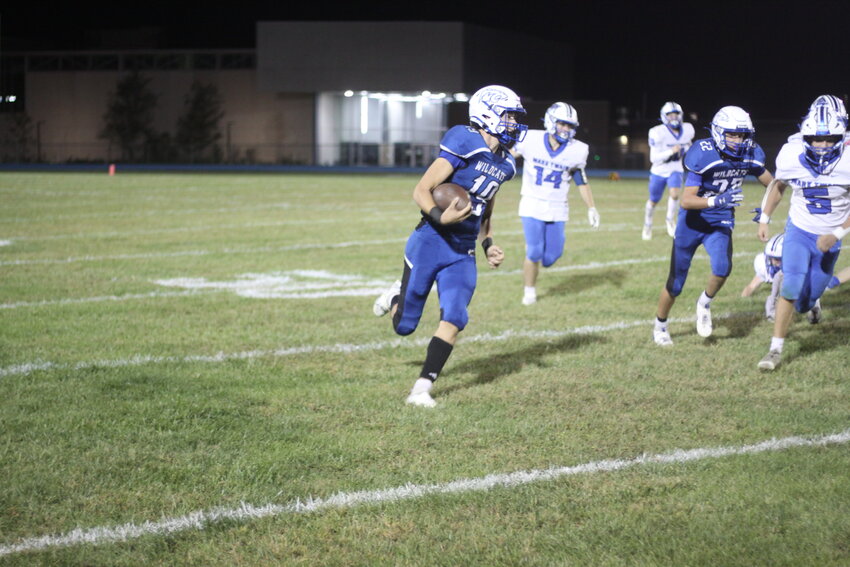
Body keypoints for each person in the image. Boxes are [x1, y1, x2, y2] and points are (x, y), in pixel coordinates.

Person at [371, 85, 527, 406]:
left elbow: (485, 202)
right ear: (488, 114)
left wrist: (488, 242)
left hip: (463, 250)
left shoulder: (506, 164)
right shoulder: (463, 139)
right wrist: (440, 217)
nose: (513, 123)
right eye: (508, 116)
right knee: (404, 327)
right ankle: (396, 296)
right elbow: (422, 190)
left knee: (456, 316)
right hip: (430, 240)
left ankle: (421, 389)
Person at [652, 106, 774, 346]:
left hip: (720, 218)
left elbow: (773, 185)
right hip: (693, 221)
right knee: (676, 282)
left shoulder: (750, 154)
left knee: (722, 267)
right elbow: (686, 201)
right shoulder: (704, 153)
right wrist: (716, 200)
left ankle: (704, 303)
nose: (737, 140)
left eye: (741, 135)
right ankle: (660, 324)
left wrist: (766, 210)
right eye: (731, 134)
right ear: (719, 132)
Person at [756, 97, 850, 370]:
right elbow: (777, 185)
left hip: (829, 241)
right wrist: (764, 218)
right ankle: (775, 349)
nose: (821, 145)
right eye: (815, 139)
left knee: (805, 302)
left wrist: (837, 234)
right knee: (792, 283)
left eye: (830, 138)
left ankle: (813, 302)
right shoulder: (790, 153)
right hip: (798, 230)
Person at [511, 102, 600, 306]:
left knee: (551, 257)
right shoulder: (530, 139)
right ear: (551, 121)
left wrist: (591, 207)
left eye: (570, 126)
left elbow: (581, 180)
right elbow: (508, 157)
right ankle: (529, 290)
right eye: (562, 124)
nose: (566, 129)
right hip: (532, 203)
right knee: (534, 252)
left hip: (558, 206)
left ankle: (537, 264)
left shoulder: (577, 150)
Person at [643, 102, 696, 240]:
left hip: (676, 168)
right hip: (659, 170)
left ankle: (669, 220)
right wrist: (670, 151)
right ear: (664, 117)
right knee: (653, 200)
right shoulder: (657, 132)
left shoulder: (688, 129)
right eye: (670, 115)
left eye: (676, 114)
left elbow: (689, 147)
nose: (674, 118)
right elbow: (653, 158)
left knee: (674, 194)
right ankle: (648, 224)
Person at [740, 232, 784, 321]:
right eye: (772, 258)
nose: (774, 262)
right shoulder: (764, 267)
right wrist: (742, 299)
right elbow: (751, 286)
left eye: (778, 259)